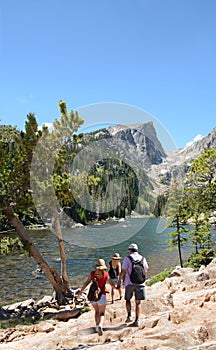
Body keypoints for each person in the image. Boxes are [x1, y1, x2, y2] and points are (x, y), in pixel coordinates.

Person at [78, 258, 114, 336]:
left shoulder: (92, 274)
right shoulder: (106, 274)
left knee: (96, 311)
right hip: (102, 295)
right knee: (102, 313)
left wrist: (81, 292)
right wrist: (116, 287)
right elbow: (111, 284)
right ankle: (100, 324)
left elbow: (86, 283)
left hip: (93, 296)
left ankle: (97, 327)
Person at [117, 243, 148, 327]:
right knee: (138, 303)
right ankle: (137, 320)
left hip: (129, 283)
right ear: (137, 250)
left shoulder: (127, 258)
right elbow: (145, 270)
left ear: (130, 250)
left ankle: (129, 316)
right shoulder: (143, 258)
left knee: (128, 300)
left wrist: (119, 281)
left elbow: (123, 271)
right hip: (140, 283)